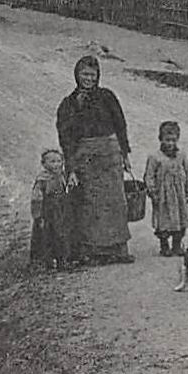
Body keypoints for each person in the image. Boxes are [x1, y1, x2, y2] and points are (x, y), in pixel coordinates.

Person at [56, 55, 134, 264]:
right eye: (84, 74)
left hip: (110, 155)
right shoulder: (69, 104)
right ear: (76, 75)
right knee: (90, 204)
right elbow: (66, 138)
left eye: (92, 74)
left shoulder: (107, 97)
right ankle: (94, 252)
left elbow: (120, 125)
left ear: (98, 75)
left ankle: (119, 250)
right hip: (86, 159)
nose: (88, 79)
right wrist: (70, 168)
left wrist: (124, 154)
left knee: (116, 202)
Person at [144, 120, 188, 256]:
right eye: (167, 140)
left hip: (178, 195)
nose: (170, 143)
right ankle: (164, 246)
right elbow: (149, 176)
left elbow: (187, 172)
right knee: (163, 220)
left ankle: (177, 245)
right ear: (160, 139)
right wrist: (153, 192)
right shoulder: (155, 157)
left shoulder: (181, 155)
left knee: (180, 219)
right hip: (163, 196)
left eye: (173, 140)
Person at [29, 148, 79, 271]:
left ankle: (63, 260)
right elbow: (37, 198)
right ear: (44, 164)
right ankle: (46, 263)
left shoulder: (61, 176)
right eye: (52, 162)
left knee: (62, 235)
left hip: (60, 211)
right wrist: (38, 216)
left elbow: (63, 189)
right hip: (48, 213)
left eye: (59, 161)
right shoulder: (43, 179)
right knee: (46, 237)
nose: (56, 164)